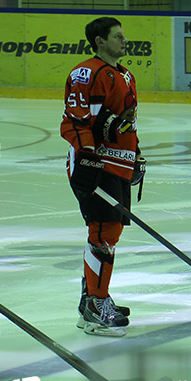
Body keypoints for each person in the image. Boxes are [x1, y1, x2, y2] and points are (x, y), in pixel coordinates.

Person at [62, 17, 142, 336]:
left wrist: (136, 154)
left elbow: (127, 123)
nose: (124, 40)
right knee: (102, 232)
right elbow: (75, 120)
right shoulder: (87, 73)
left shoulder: (125, 75)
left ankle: (92, 300)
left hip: (118, 164)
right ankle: (96, 305)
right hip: (96, 165)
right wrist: (87, 156)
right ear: (100, 41)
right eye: (117, 36)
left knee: (110, 234)